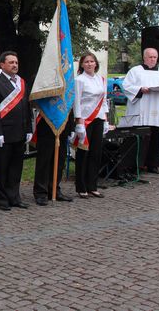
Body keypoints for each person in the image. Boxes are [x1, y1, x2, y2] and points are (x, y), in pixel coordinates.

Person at [0, 51, 32, 211]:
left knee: (15, 168)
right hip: (3, 134)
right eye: (11, 62)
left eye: (16, 63)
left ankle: (14, 196)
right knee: (1, 168)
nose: (14, 65)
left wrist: (29, 129)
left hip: (20, 132)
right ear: (2, 65)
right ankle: (2, 199)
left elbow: (26, 107)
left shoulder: (22, 83)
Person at [122, 48, 159, 174]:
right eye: (150, 57)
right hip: (141, 110)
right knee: (140, 138)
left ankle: (153, 164)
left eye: (155, 57)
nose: (153, 59)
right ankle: (136, 164)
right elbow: (126, 87)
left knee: (156, 138)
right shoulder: (135, 71)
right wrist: (140, 89)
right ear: (144, 57)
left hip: (158, 110)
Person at [72, 52, 109, 198]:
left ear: (96, 63)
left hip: (98, 118)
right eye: (86, 61)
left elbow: (104, 100)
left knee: (96, 153)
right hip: (85, 120)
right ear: (82, 64)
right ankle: (81, 187)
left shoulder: (101, 79)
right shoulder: (79, 80)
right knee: (83, 153)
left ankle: (92, 185)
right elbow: (77, 102)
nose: (89, 64)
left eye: (91, 61)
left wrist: (106, 120)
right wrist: (79, 122)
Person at [32, 113, 74, 205]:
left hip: (63, 123)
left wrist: (71, 127)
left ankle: (54, 189)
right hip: (47, 121)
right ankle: (41, 192)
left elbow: (70, 104)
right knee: (44, 160)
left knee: (60, 160)